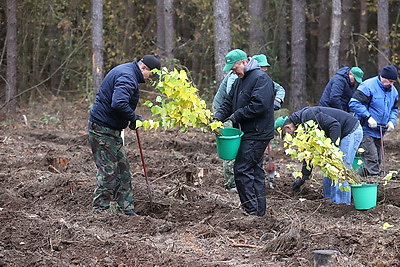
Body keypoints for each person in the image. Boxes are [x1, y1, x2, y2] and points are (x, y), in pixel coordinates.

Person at [88, 55, 161, 216]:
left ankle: (126, 210)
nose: (150, 78)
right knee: (109, 172)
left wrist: (129, 118)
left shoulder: (128, 71)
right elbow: (118, 102)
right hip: (102, 130)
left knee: (123, 171)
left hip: (111, 130)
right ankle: (100, 211)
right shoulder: (128, 77)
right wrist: (133, 117)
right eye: (151, 74)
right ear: (143, 68)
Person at [213, 49, 275, 216]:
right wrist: (217, 117)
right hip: (248, 132)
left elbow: (259, 105)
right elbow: (228, 102)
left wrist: (236, 116)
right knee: (254, 171)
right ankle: (258, 212)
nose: (233, 72)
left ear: (244, 62)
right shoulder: (239, 81)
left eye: (234, 68)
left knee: (241, 169)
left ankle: (251, 212)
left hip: (258, 132)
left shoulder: (260, 79)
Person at [275, 106, 363, 204]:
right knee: (327, 169)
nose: (290, 136)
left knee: (340, 169)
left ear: (287, 127)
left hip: (350, 130)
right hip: (338, 134)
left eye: (286, 134)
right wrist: (304, 177)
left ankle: (341, 204)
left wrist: (332, 150)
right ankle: (330, 203)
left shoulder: (308, 116)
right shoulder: (301, 129)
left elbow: (335, 125)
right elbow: (309, 154)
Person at [349, 65, 399, 177]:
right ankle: (375, 185)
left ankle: (358, 178)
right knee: (371, 158)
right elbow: (354, 103)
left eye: (393, 82)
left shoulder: (393, 92)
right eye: (390, 81)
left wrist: (392, 121)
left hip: (380, 130)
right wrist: (368, 117)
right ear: (383, 77)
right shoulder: (368, 86)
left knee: (378, 159)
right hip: (365, 128)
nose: (391, 84)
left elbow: (394, 109)